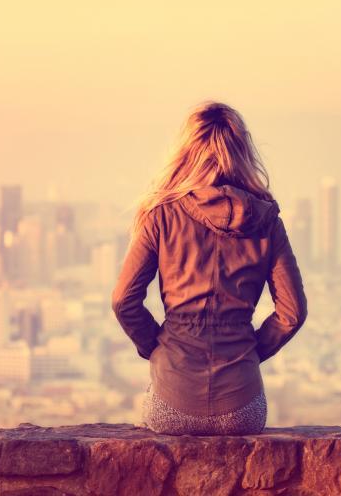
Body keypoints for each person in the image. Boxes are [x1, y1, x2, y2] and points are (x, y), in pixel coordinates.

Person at [111, 100, 308, 435]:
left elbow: (123, 301)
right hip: (242, 407)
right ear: (243, 152)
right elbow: (292, 312)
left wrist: (157, 348)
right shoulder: (266, 220)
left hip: (171, 400)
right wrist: (247, 353)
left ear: (186, 151)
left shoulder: (161, 214)